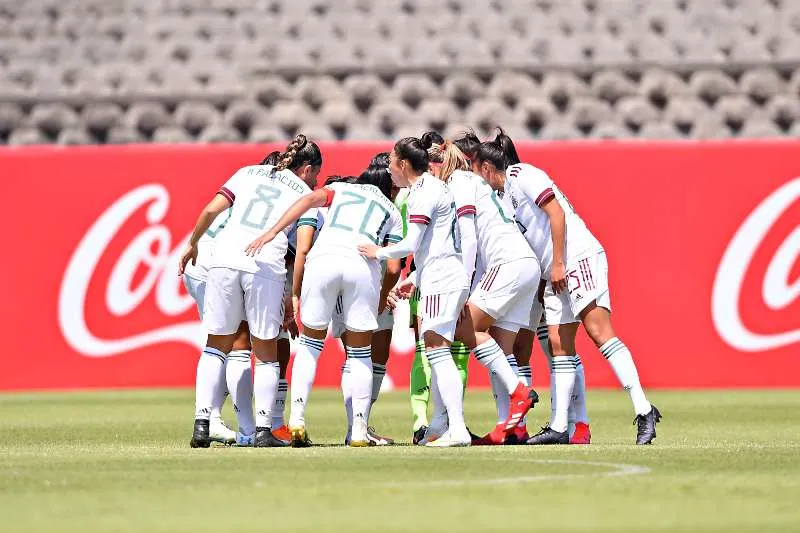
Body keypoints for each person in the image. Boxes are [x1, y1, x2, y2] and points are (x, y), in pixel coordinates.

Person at [472, 129, 661, 445]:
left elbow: (556, 212)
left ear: (488, 168)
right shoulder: (503, 198)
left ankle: (643, 409)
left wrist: (558, 262)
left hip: (576, 256)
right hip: (553, 271)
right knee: (559, 344)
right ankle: (560, 427)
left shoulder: (522, 174)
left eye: (476, 169)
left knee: (599, 332)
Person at [180, 134, 322, 448]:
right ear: (308, 170)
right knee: (266, 352)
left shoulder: (246, 173)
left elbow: (210, 210)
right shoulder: (304, 192)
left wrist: (192, 244)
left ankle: (202, 423)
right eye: (317, 174)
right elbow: (302, 249)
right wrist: (294, 293)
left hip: (224, 258)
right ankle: (261, 430)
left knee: (215, 345)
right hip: (265, 265)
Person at [246, 173, 403, 448]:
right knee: (360, 353)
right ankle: (358, 430)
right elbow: (392, 266)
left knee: (309, 345)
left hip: (324, 260)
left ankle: (296, 419)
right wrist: (381, 296)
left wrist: (272, 231)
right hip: (362, 266)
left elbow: (308, 200)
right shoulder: (392, 208)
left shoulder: (339, 188)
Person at [358, 137, 473, 447]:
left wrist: (376, 251)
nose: (390, 171)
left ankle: (457, 428)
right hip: (441, 274)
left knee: (436, 350)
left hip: (442, 278)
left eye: (392, 164)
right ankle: (443, 425)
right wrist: (416, 277)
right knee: (438, 351)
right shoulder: (433, 188)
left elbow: (411, 244)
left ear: (403, 164)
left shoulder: (422, 192)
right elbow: (437, 243)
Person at [426, 138, 541, 445]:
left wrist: (463, 286)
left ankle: (519, 391)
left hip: (507, 264)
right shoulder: (479, 186)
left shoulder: (460, 182)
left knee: (466, 329)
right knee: (501, 349)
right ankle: (510, 427)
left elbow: (469, 238)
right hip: (526, 264)